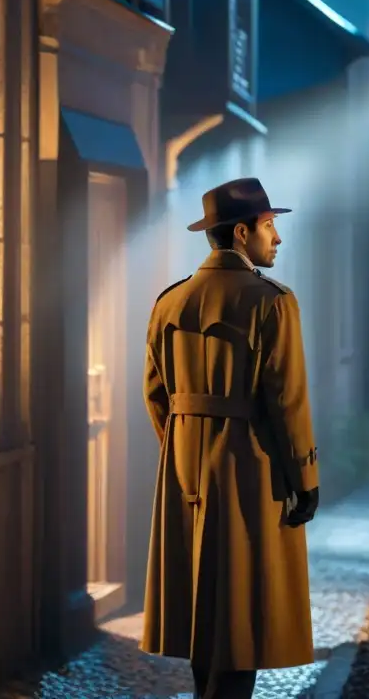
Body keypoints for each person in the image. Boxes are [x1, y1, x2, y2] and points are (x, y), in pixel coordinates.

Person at [139, 177, 320, 699]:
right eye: (270, 226)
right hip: (248, 472)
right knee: (242, 619)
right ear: (242, 233)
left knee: (201, 615)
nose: (277, 239)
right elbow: (287, 403)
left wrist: (184, 446)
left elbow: (156, 396)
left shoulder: (169, 303)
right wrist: (304, 479)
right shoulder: (272, 302)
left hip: (184, 474)